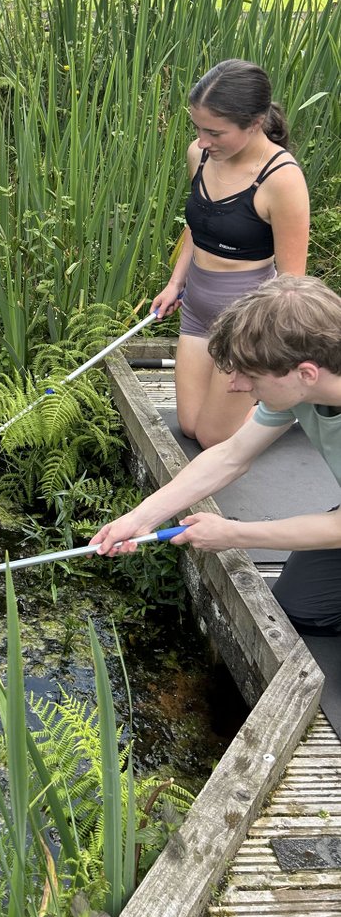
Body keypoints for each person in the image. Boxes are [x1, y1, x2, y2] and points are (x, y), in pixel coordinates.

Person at [93, 275, 341, 637]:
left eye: (249, 375)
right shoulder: (300, 388)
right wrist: (140, 517)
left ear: (305, 373)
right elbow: (232, 455)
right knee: (302, 610)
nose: (235, 385)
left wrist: (235, 533)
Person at [151, 60, 309, 448]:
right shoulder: (200, 156)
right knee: (189, 425)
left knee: (212, 437)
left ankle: (301, 401)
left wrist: (266, 348)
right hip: (198, 308)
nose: (203, 141)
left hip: (246, 320)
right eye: (198, 129)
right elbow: (199, 222)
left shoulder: (282, 180)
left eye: (214, 132)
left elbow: (292, 284)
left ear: (254, 123)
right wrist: (176, 283)